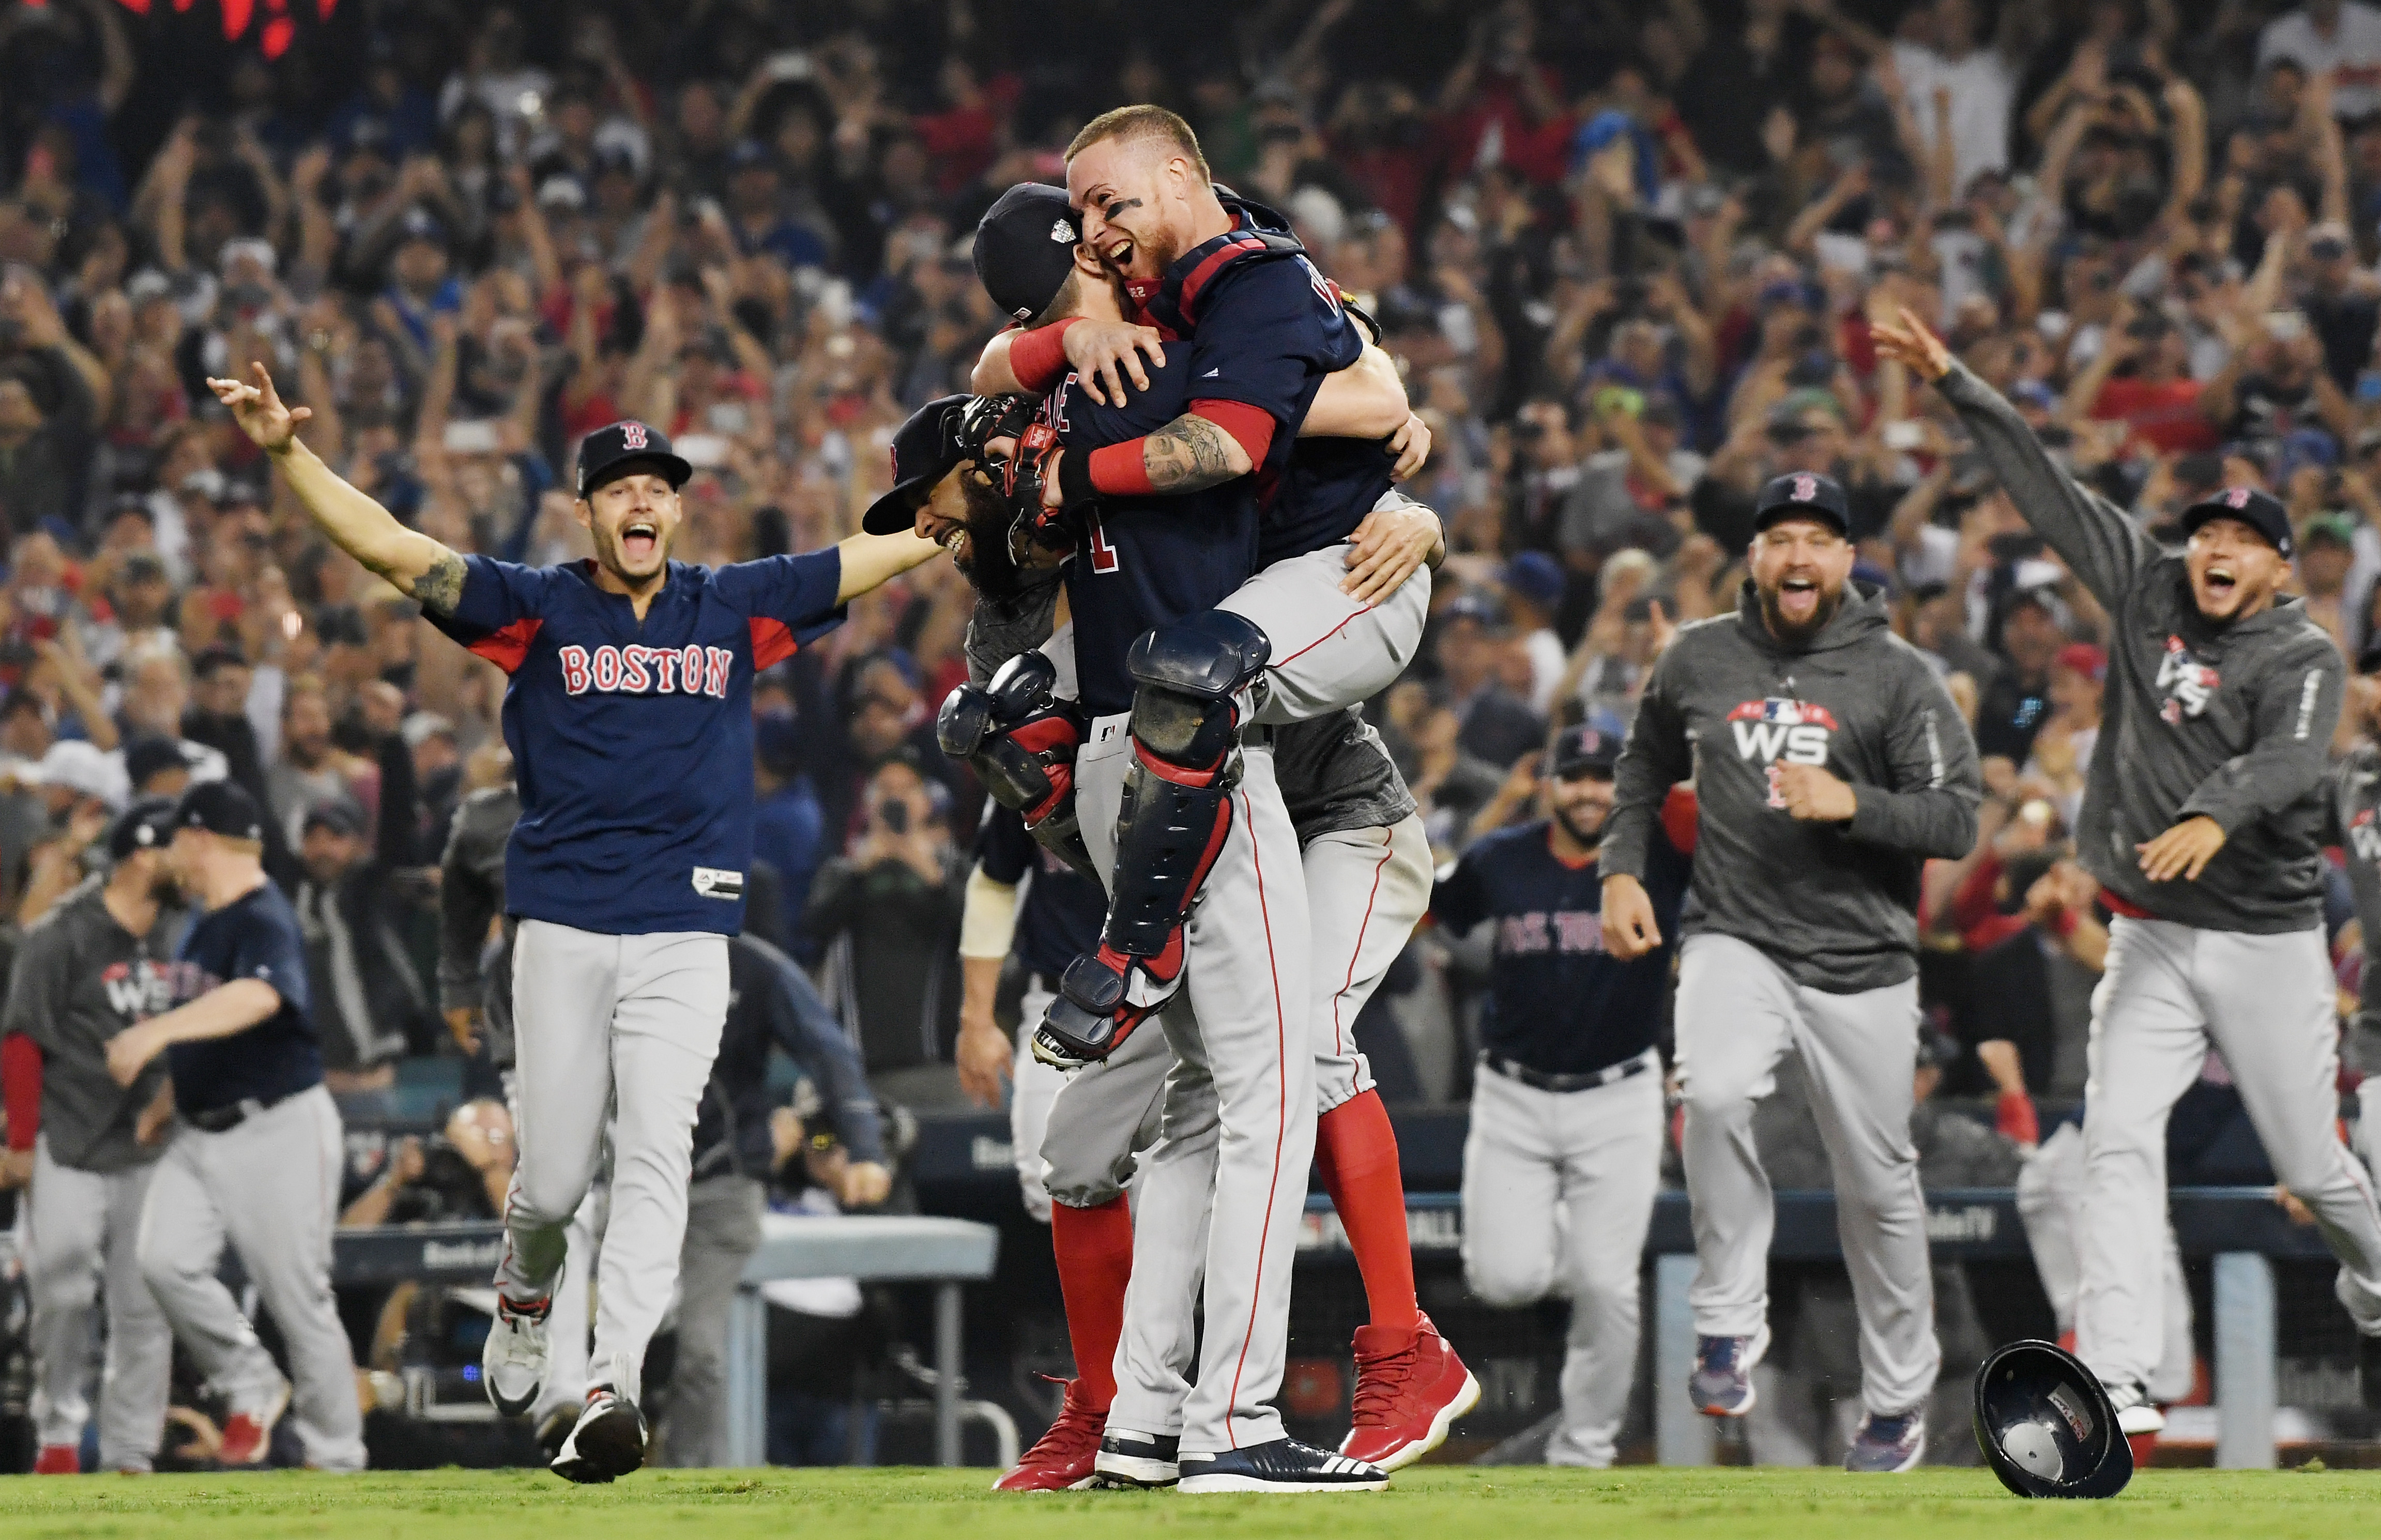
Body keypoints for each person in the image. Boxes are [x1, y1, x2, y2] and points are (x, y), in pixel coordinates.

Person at [204, 361, 942, 1482]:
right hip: (558, 923)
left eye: (658, 486)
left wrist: (969, 506)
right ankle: (523, 1295)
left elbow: (872, 555)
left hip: (689, 930)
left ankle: (608, 1381)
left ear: (677, 507)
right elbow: (395, 550)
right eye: (619, 487)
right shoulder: (539, 607)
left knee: (656, 1154)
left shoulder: (732, 605)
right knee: (550, 1182)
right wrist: (286, 453)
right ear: (588, 509)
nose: (641, 502)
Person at [1874, 304, 2381, 1436]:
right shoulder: (2148, 587)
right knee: (2114, 1135)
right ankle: (2112, 1370)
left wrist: (2211, 812)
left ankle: (2377, 1283)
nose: (2214, 548)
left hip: (2262, 936)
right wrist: (1956, 378)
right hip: (2151, 926)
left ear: (2276, 567)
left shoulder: (2299, 652)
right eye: (2205, 531)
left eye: (2240, 539)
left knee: (2316, 1159)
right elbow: (2046, 489)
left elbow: (2291, 757)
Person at [1601, 468, 1983, 1472]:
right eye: (1780, 538)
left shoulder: (1899, 675)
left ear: (1847, 560)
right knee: (1714, 1095)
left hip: (1861, 960)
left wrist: (1851, 803)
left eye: (1818, 538)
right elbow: (1640, 765)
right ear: (1755, 557)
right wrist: (1618, 874)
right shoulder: (1696, 656)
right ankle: (1727, 1320)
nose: (1798, 555)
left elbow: (1955, 817)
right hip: (1735, 934)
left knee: (1877, 1182)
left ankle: (1895, 1400)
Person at [1431, 725, 1691, 1468]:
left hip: (1618, 1094)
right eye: (1573, 776)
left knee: (1609, 1285)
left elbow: (1700, 808)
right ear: (1549, 785)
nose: (1588, 791)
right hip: (1512, 1094)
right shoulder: (1502, 857)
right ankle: (1574, 1266)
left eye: (1602, 777)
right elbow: (1431, 907)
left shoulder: (1658, 859)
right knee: (1502, 1278)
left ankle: (1584, 1451)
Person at [107, 780, 364, 1472]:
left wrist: (155, 1034)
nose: (173, 857)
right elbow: (211, 1020)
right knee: (162, 1260)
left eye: (178, 842)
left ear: (198, 838)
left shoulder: (261, 913)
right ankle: (250, 1381)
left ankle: (338, 1456)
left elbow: (260, 995)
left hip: (276, 1129)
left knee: (297, 1296)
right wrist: (169, 1092)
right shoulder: (205, 918)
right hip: (200, 1132)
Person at [0, 797, 181, 1475]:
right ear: (141, 854)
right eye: (175, 849)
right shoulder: (63, 932)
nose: (188, 862)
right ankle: (57, 1434)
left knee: (146, 1299)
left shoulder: (185, 930)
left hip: (151, 1144)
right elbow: (21, 1039)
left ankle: (132, 1450)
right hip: (71, 1136)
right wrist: (22, 1141)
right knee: (62, 1287)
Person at [661, 930, 887, 1469]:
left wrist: (864, 1145)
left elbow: (829, 1050)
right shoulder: (615, 949)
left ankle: (682, 1492)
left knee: (700, 1354)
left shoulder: (753, 967)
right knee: (600, 1351)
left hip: (721, 1181)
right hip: (624, 1181)